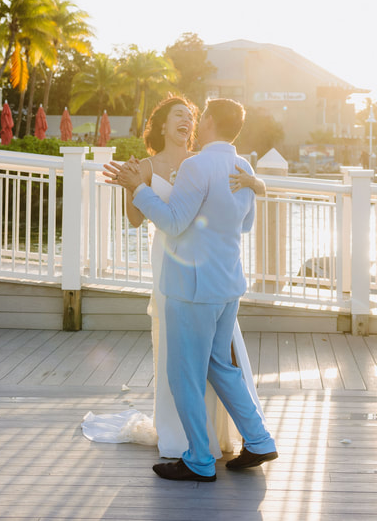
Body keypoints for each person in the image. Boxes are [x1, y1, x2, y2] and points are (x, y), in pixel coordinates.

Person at [108, 99, 278, 482]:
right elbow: (246, 223)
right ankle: (259, 439)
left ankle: (200, 459)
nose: (195, 122)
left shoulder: (195, 165)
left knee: (184, 374)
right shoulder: (243, 167)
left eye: (201, 117)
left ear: (213, 122)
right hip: (228, 285)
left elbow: (172, 221)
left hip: (192, 288)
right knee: (220, 366)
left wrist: (137, 187)